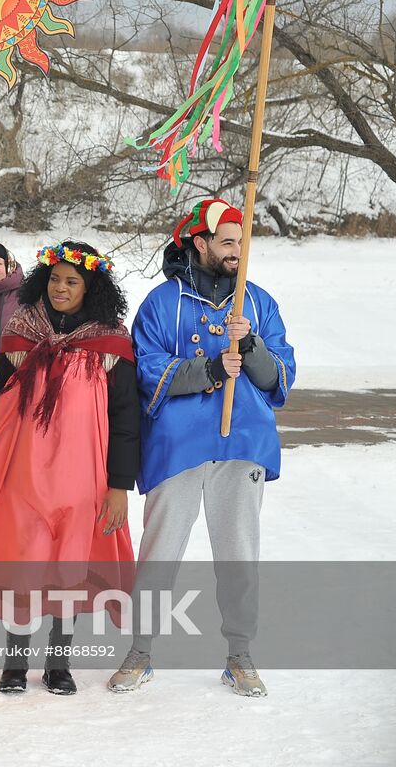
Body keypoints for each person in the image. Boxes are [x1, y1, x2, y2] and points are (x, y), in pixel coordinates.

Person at [109, 199, 295, 698]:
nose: (238, 251)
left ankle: (240, 653)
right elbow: (146, 370)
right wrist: (210, 371)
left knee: (239, 553)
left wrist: (250, 344)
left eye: (242, 242)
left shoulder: (256, 303)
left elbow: (282, 377)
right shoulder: (161, 303)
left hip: (243, 444)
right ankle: (141, 649)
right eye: (228, 242)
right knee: (159, 553)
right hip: (178, 446)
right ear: (200, 243)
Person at [0, 241, 139, 696]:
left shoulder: (110, 344)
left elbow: (125, 420)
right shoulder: (23, 335)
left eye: (72, 281)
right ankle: (15, 663)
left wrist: (119, 485)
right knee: (25, 568)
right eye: (55, 279)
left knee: (68, 570)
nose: (61, 288)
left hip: (84, 483)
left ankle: (58, 663)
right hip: (26, 477)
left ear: (91, 287)